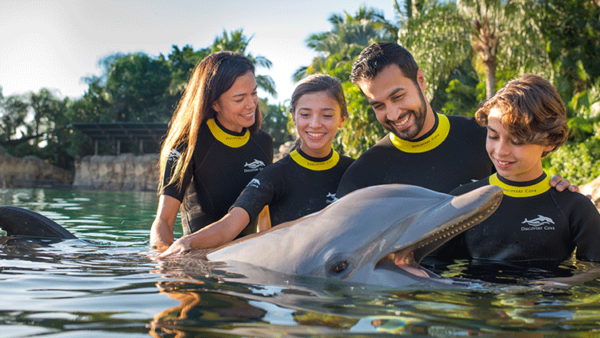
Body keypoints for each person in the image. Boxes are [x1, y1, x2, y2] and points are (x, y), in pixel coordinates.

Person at [336, 42, 576, 197]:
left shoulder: (485, 137)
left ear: (420, 80)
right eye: (378, 105)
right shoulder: (363, 176)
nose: (393, 114)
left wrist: (557, 189)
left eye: (398, 97)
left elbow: (527, 189)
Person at [158, 74, 354, 257]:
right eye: (305, 114)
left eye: (327, 115)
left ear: (342, 120)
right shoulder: (273, 176)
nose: (315, 124)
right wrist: (187, 243)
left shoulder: (355, 171)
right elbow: (229, 227)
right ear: (293, 117)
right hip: (291, 279)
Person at [443, 74, 600, 263]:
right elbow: (430, 268)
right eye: (493, 136)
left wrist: (560, 284)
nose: (500, 151)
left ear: (549, 141)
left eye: (516, 141)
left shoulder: (574, 207)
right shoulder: (461, 202)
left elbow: (594, 273)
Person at [150, 51, 273, 251]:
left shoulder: (262, 142)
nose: (251, 104)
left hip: (245, 262)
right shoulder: (187, 144)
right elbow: (163, 221)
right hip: (199, 262)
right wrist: (165, 260)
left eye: (254, 93)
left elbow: (264, 216)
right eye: (239, 98)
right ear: (214, 103)